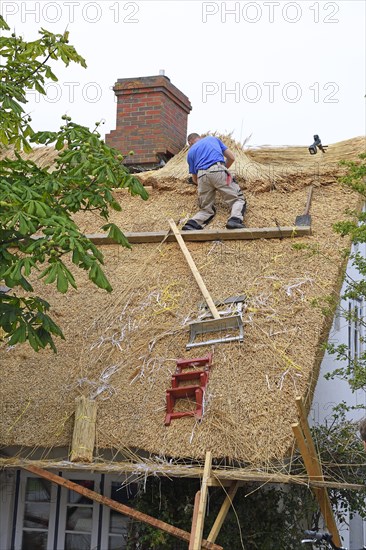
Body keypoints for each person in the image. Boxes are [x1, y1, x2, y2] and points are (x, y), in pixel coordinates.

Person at [182, 133, 247, 230]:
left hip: (202, 176)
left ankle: (192, 224)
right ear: (199, 137)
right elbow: (232, 158)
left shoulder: (190, 152)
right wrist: (221, 171)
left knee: (206, 209)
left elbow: (195, 179)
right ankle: (234, 220)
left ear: (190, 142)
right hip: (217, 168)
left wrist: (208, 184)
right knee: (237, 199)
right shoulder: (212, 139)